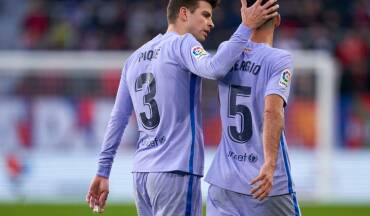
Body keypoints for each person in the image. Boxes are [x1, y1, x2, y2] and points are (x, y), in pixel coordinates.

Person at [86, 0, 279, 215]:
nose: (211, 23)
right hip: (175, 172)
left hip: (142, 175)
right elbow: (215, 69)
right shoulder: (182, 44)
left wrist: (103, 172)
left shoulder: (134, 58)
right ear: (184, 14)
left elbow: (118, 119)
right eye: (205, 15)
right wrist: (246, 27)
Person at [205, 0, 301, 215]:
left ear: (244, 15)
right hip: (264, 182)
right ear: (277, 20)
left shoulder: (225, 53)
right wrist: (269, 164)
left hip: (224, 179)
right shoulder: (279, 59)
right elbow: (272, 111)